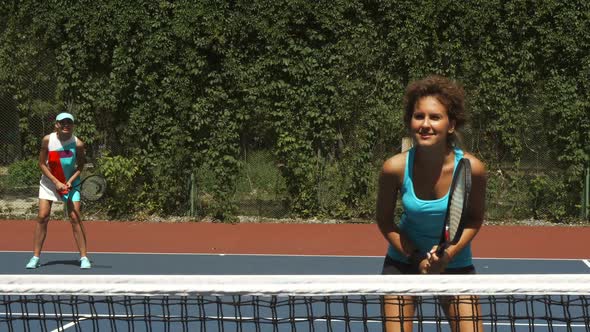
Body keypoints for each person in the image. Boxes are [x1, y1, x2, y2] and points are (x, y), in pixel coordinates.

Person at [376, 75, 486, 331]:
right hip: (403, 262)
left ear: (451, 124)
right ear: (410, 122)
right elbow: (384, 220)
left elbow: (474, 219)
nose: (425, 124)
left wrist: (446, 256)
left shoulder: (473, 168)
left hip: (454, 263)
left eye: (435, 117)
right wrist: (416, 257)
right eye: (419, 116)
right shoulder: (394, 167)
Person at [25, 112, 91, 269]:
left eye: (69, 123)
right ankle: (35, 257)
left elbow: (80, 167)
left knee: (75, 218)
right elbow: (41, 164)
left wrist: (68, 182)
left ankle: (84, 258)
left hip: (70, 183)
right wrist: (56, 182)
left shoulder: (78, 144)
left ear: (73, 125)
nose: (66, 125)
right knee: (42, 216)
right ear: (57, 125)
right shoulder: (48, 140)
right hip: (49, 183)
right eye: (63, 123)